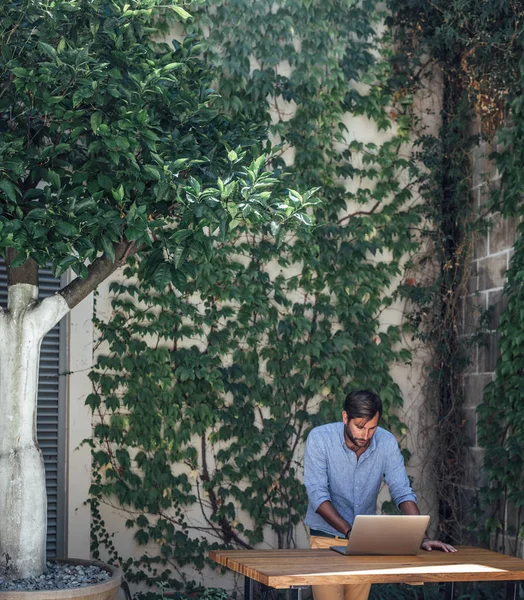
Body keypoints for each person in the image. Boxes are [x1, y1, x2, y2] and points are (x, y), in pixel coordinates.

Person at [304, 389, 456, 600]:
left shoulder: (385, 442)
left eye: (372, 428)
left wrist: (420, 536)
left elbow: (402, 491)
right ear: (345, 417)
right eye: (360, 427)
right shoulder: (320, 439)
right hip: (325, 539)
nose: (365, 436)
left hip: (364, 545)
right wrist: (351, 533)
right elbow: (318, 497)